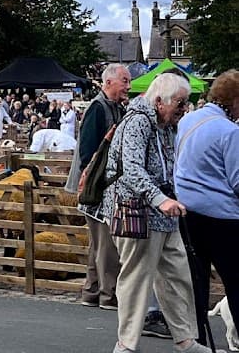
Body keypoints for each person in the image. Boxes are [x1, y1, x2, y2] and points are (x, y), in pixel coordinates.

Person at [103, 72, 211, 353]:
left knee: (178, 277)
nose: (184, 107)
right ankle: (125, 345)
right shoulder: (138, 122)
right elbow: (132, 168)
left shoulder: (165, 126)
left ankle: (185, 340)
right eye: (180, 102)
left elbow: (168, 167)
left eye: (185, 102)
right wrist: (160, 198)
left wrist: (172, 197)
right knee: (137, 281)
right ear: (160, 101)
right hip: (136, 213)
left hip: (164, 215)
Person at [175, 69, 239, 348]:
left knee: (195, 282)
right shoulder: (230, 131)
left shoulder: (188, 120)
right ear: (235, 100)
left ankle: (197, 341)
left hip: (187, 212)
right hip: (222, 217)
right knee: (236, 282)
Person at [77, 62, 128, 310]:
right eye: (124, 81)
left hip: (101, 185)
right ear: (109, 82)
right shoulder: (98, 108)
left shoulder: (113, 108)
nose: (127, 86)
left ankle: (92, 291)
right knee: (106, 242)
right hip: (98, 186)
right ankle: (109, 294)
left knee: (98, 242)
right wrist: (96, 179)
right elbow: (88, 152)